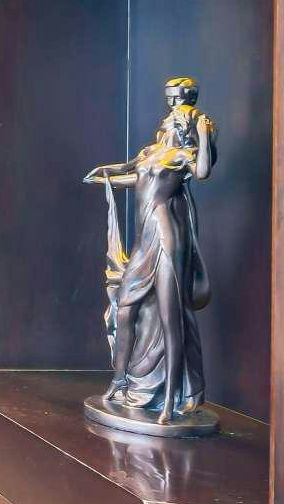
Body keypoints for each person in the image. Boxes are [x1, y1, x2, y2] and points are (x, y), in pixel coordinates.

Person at [81, 77, 217, 431]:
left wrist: (203, 135)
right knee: (125, 308)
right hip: (145, 241)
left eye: (180, 111)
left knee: (172, 319)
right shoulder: (151, 153)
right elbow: (133, 175)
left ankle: (171, 399)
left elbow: (203, 173)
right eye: (172, 109)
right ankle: (120, 380)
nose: (172, 117)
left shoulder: (183, 157)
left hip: (168, 239)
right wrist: (104, 175)